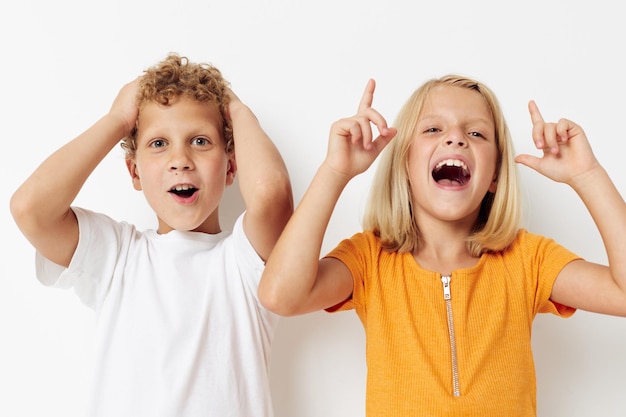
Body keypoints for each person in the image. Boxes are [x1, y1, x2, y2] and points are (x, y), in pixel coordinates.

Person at [258, 76, 626, 416]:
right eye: (433, 129)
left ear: (495, 175)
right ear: (403, 165)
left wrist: (588, 176)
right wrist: (335, 172)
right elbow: (280, 295)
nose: (456, 139)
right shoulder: (370, 260)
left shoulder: (528, 260)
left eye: (478, 134)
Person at [10, 53, 293, 417]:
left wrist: (237, 110)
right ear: (135, 173)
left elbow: (272, 194)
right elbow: (30, 208)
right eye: (159, 143)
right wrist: (117, 120)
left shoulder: (244, 260)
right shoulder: (116, 255)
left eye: (201, 141)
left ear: (231, 166)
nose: (180, 159)